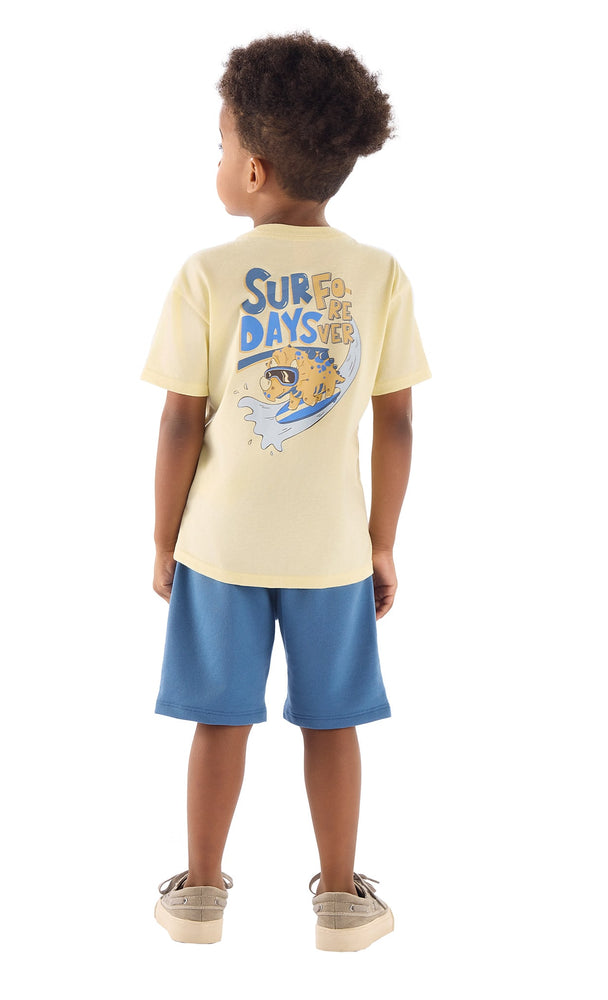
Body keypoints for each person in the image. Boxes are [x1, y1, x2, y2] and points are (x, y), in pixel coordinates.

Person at [141, 31, 430, 952]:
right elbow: (397, 423)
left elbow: (180, 423)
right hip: (332, 550)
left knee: (220, 719)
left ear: (255, 170)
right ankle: (342, 902)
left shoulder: (207, 274)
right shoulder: (380, 274)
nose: (218, 160)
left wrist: (164, 539)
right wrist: (382, 541)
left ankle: (199, 894)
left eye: (222, 144)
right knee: (333, 721)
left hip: (220, 546)